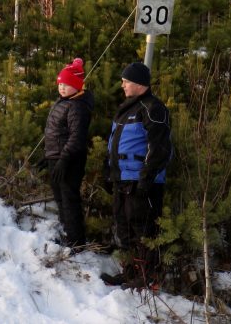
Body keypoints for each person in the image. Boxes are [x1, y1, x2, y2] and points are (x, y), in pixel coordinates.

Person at [100, 62, 172, 289]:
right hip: (122, 178)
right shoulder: (126, 108)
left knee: (144, 229)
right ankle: (130, 271)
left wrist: (146, 178)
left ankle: (146, 275)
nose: (122, 85)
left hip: (142, 181)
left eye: (126, 81)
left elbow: (159, 147)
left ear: (139, 84)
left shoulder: (153, 108)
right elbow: (114, 142)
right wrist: (108, 171)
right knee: (124, 228)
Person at [43, 58, 93, 249]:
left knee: (68, 197)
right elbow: (55, 132)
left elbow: (76, 137)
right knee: (59, 196)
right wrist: (47, 154)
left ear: (77, 86)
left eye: (67, 84)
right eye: (60, 84)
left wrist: (63, 159)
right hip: (56, 157)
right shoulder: (63, 102)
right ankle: (67, 233)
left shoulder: (77, 107)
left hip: (70, 160)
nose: (62, 88)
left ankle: (76, 240)